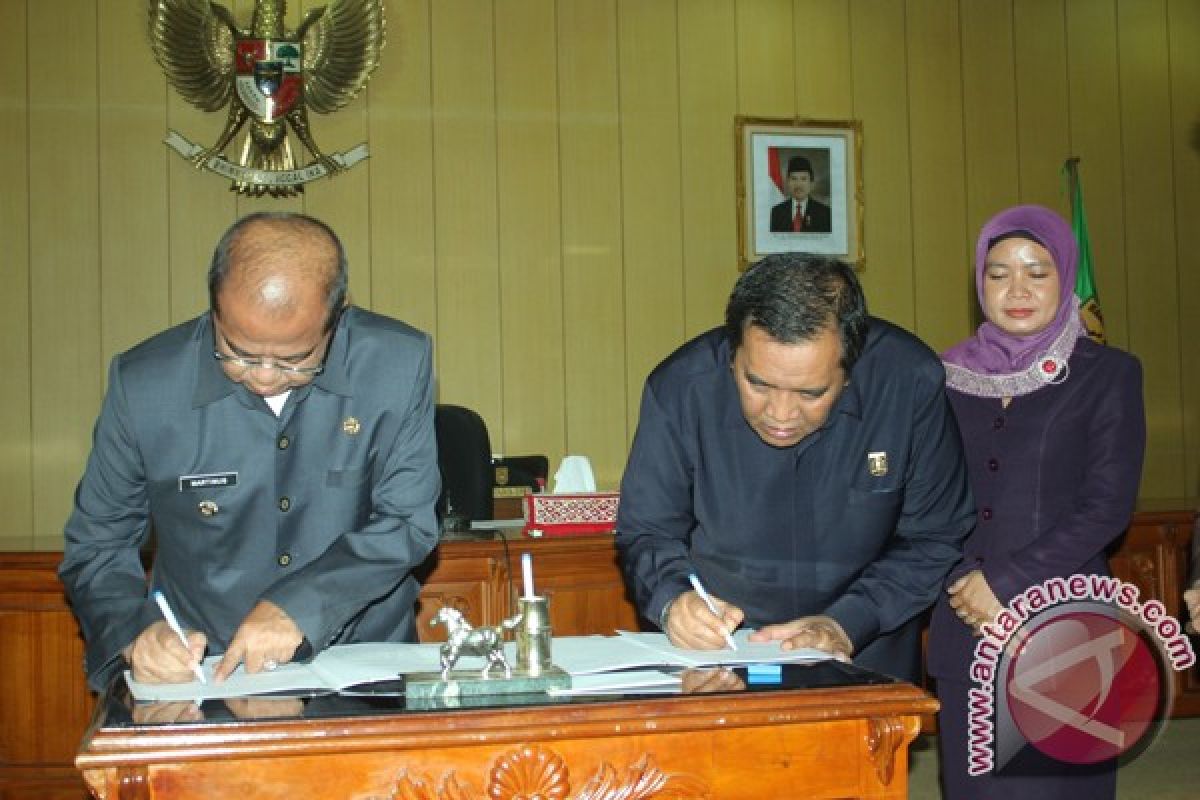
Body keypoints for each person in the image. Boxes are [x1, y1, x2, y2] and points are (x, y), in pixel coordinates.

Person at [59, 212, 441, 691]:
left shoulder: (397, 365)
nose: (263, 376)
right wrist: (136, 631)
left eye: (294, 360)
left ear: (337, 315)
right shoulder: (144, 386)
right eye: (236, 352)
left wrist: (301, 606)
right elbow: (97, 544)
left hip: (362, 663)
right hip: (203, 673)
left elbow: (407, 523)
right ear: (214, 306)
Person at [615, 254, 974, 683]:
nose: (780, 415)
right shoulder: (680, 388)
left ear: (850, 370)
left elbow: (934, 535)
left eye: (811, 392)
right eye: (758, 384)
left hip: (863, 651)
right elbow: (649, 530)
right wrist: (673, 600)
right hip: (719, 659)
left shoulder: (908, 382)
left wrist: (848, 621)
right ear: (733, 353)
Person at [928, 205, 1145, 798]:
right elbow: (924, 503)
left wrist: (1003, 580)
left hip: (1066, 631)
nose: (1016, 289)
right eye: (998, 274)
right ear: (980, 284)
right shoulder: (942, 379)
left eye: (1036, 272)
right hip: (966, 626)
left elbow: (1106, 506)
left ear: (1065, 278)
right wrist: (964, 582)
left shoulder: (1107, 375)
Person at [769, 156, 833, 233]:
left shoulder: (825, 214)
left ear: (811, 182)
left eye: (803, 179)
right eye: (794, 179)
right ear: (788, 182)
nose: (798, 184)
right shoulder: (776, 212)